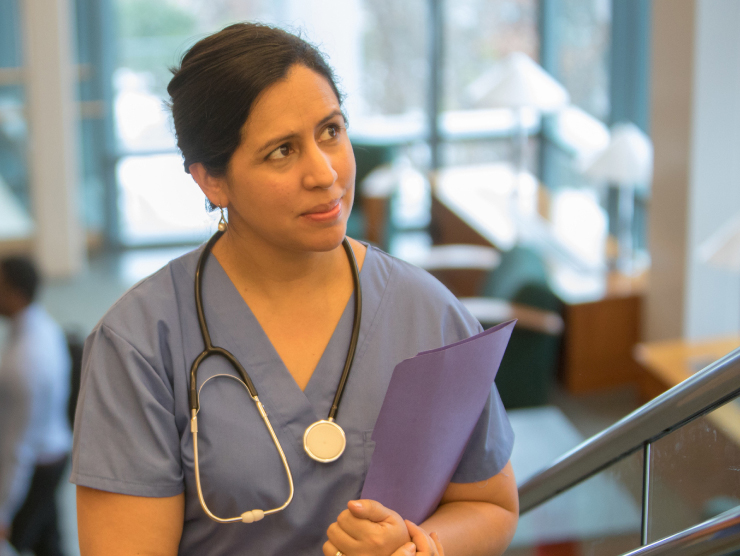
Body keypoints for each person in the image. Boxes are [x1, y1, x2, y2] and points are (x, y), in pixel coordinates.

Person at [71, 23, 518, 556]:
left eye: (330, 131)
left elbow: (491, 505)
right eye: (282, 151)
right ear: (212, 181)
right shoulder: (140, 344)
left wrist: (421, 548)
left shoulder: (428, 313)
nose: (325, 173)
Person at [0, 256, 72, 556]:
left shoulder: (24, 363)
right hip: (55, 451)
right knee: (49, 543)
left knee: (18, 541)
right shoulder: (44, 328)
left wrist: (3, 510)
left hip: (37, 466)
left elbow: (19, 446)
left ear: (15, 293)